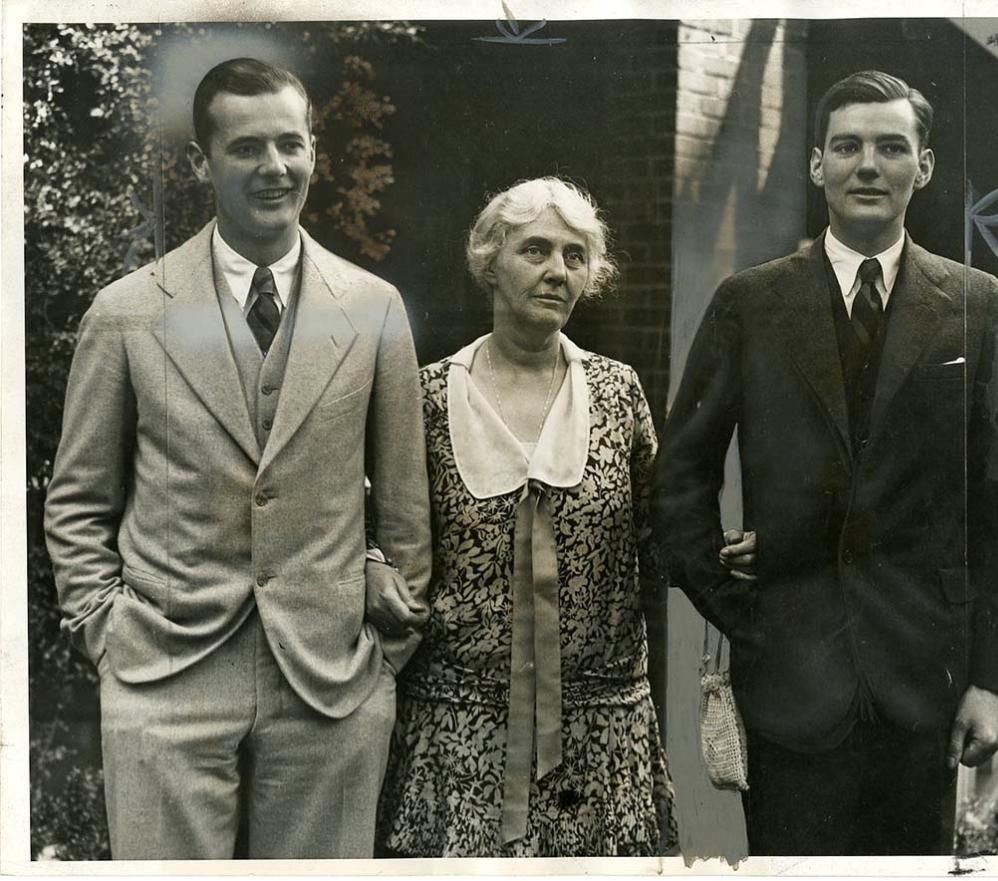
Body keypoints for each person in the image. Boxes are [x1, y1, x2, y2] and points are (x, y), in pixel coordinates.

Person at [43, 57, 431, 859]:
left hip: (330, 683)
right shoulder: (126, 313)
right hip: (165, 677)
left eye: (290, 145)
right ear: (202, 162)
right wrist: (107, 634)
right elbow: (78, 499)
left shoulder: (374, 307)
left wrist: (385, 657)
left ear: (315, 153)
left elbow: (405, 503)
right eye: (247, 148)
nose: (274, 168)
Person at [652, 70, 998, 856]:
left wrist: (992, 680)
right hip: (789, 678)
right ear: (816, 165)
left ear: (922, 167)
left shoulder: (977, 303)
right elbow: (679, 477)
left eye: (892, 147)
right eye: (848, 145)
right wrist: (742, 612)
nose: (869, 164)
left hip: (922, 683)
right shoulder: (750, 303)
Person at [376, 178, 677, 857]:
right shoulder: (424, 398)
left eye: (575, 256)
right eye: (535, 249)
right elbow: (378, 531)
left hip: (602, 741)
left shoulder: (618, 392)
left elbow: (663, 539)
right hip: (457, 738)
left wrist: (726, 550)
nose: (557, 271)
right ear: (489, 260)